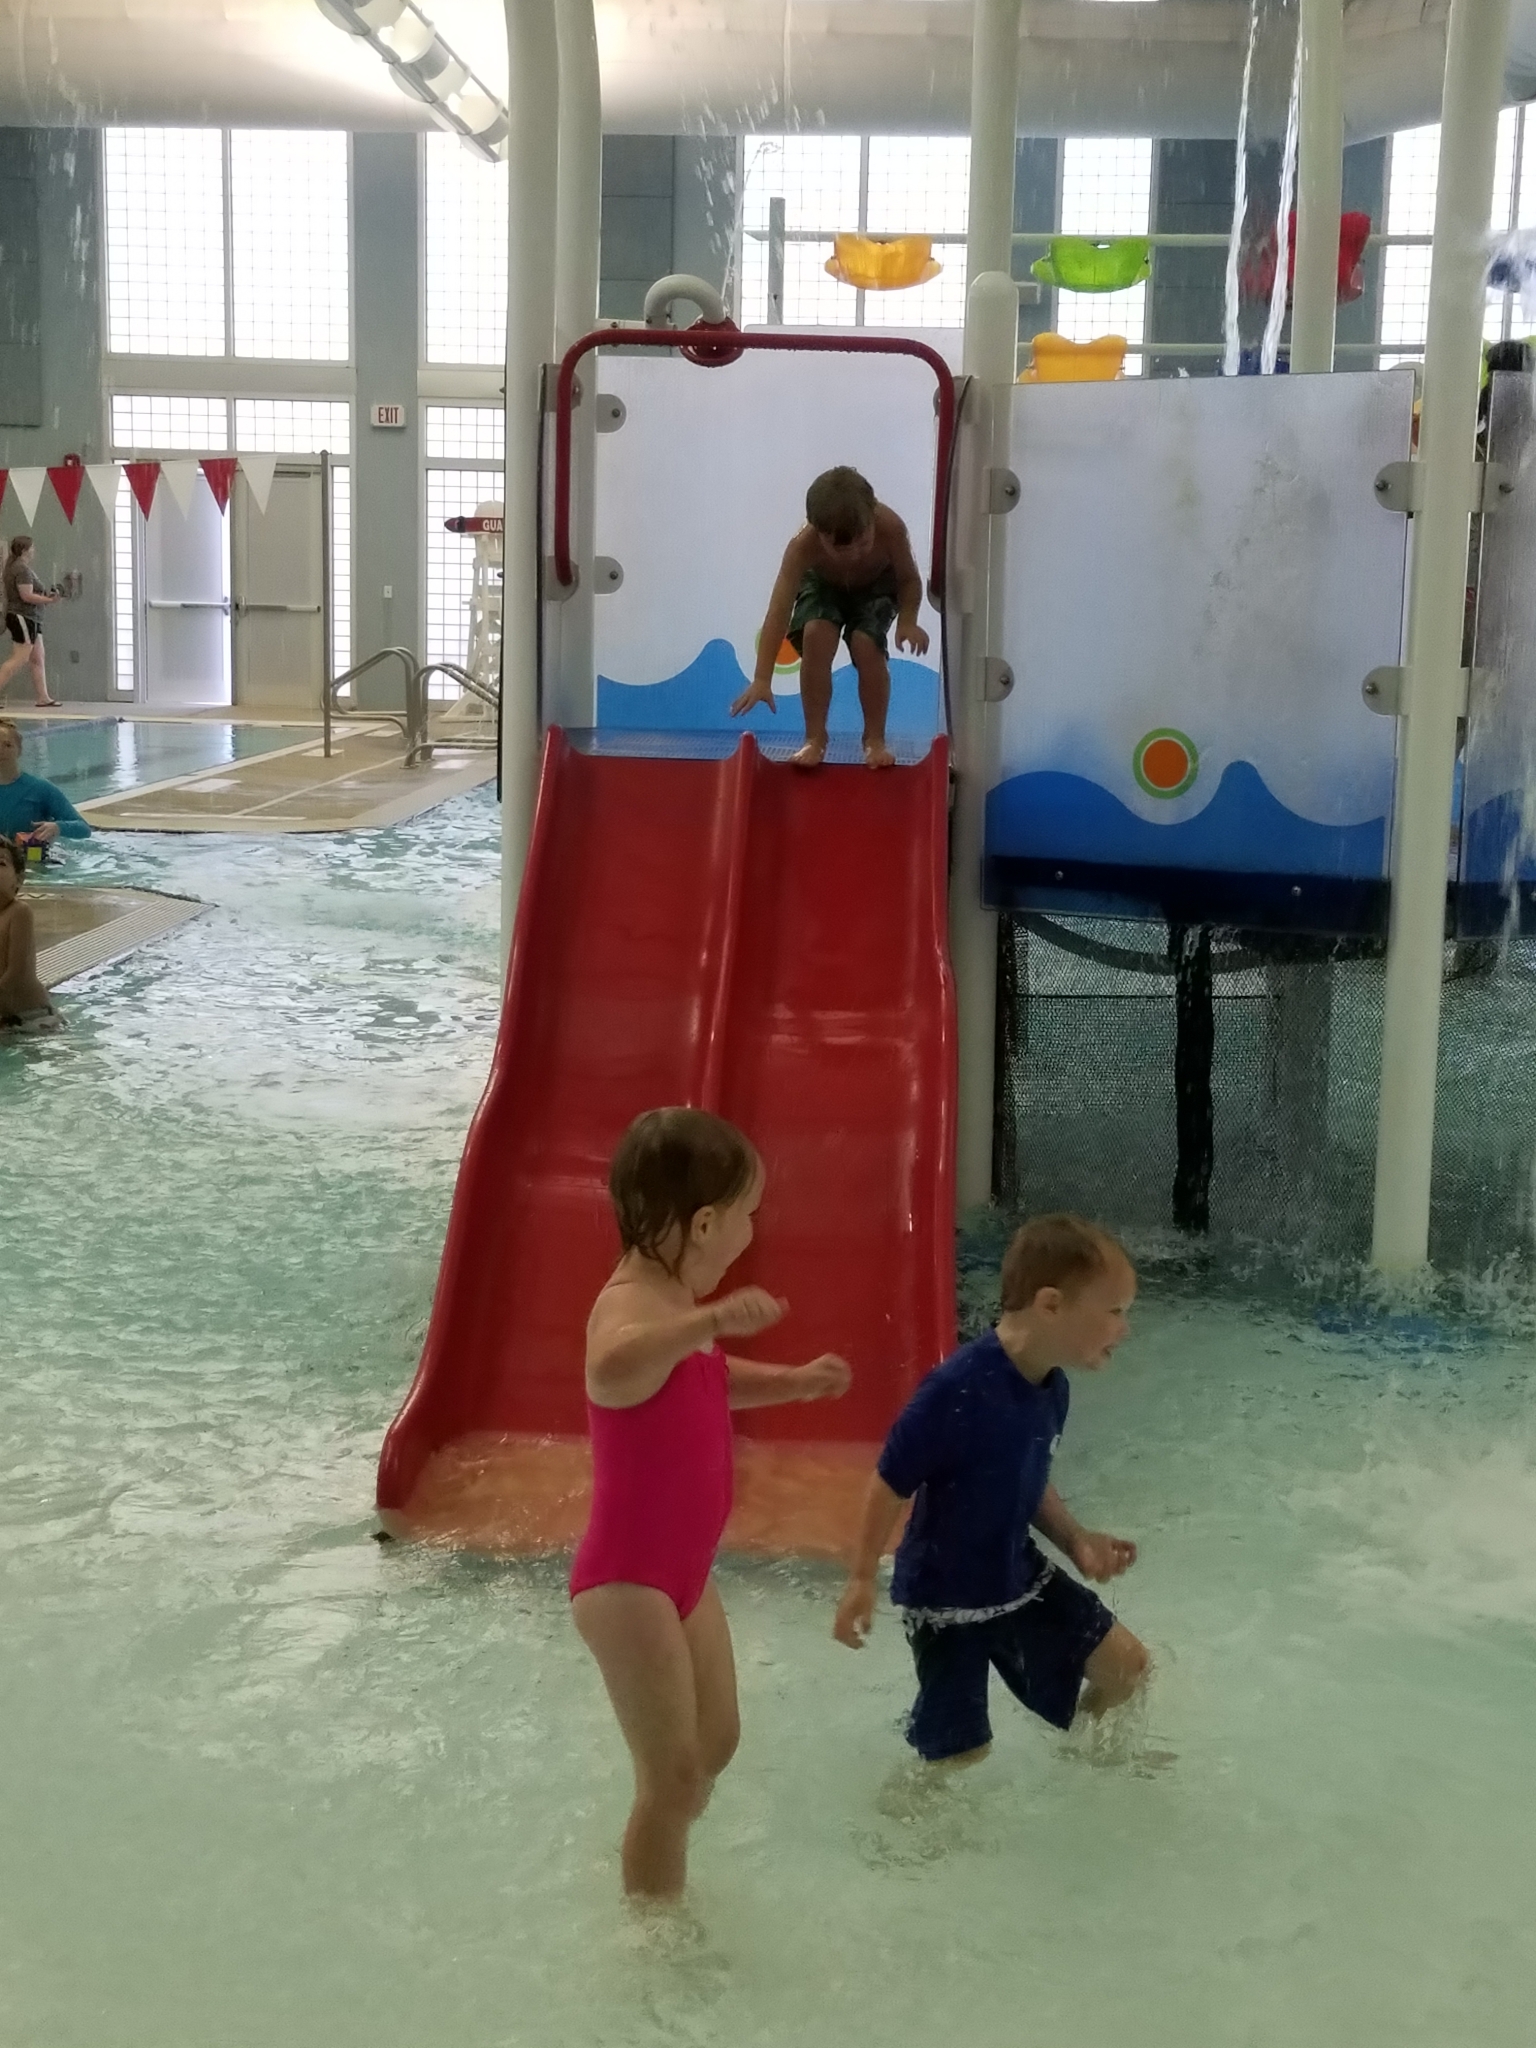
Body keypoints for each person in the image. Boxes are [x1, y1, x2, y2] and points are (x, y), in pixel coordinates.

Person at [571, 1105, 852, 1902]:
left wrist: (793, 1382)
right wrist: (713, 1317)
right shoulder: (630, 1303)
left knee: (715, 1743)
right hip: (627, 1581)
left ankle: (650, 1857)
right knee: (672, 1777)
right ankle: (652, 1933)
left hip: (684, 1572)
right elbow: (613, 1366)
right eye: (747, 1214)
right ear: (704, 1224)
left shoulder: (675, 1307)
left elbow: (704, 1379)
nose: (752, 1231)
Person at [833, 1213, 1149, 1769]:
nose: (1124, 1329)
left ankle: (1084, 1771)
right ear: (1051, 1305)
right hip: (946, 1599)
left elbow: (1027, 1476)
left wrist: (1075, 1539)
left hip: (1015, 1576)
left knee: (1127, 1668)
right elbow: (888, 1482)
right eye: (1116, 1312)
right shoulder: (955, 1391)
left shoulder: (1052, 1388)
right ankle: (906, 1815)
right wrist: (861, 1579)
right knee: (962, 1752)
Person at [731, 466, 929, 771]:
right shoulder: (802, 548)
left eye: (864, 542)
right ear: (818, 533)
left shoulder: (890, 528)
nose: (855, 554)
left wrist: (908, 621)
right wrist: (761, 678)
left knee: (866, 644)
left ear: (872, 514)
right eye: (841, 548)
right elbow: (778, 611)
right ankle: (815, 738)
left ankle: (874, 739)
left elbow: (909, 580)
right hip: (823, 584)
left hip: (877, 586)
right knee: (816, 635)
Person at [0, 836, 61, 1034]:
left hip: (33, 1019)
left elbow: (17, 973)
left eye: (1, 864)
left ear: (19, 879)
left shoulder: (19, 912)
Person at [0, 718, 91, 849]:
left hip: (31, 859)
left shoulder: (40, 788)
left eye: (8, 745)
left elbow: (83, 828)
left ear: (19, 750)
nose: (1, 751)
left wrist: (57, 827)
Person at [0, 537, 62, 709]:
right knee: (19, 658)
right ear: (24, 551)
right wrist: (49, 601)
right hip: (23, 617)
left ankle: (43, 697)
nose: (34, 551)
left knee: (37, 658)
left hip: (32, 618)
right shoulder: (21, 569)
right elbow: (26, 595)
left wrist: (45, 597)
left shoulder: (16, 568)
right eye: (32, 548)